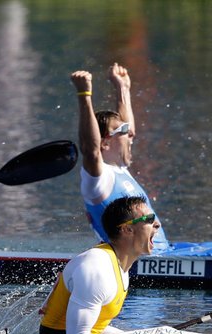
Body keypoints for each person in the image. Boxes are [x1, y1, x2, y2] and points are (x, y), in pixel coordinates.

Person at [37, 196, 165, 334]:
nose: (157, 224)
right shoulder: (97, 266)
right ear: (127, 229)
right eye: (149, 220)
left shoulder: (119, 265)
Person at [71, 65, 170, 252]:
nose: (131, 132)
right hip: (137, 261)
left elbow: (128, 127)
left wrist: (122, 88)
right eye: (123, 131)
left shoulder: (120, 169)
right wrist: (84, 94)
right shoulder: (98, 180)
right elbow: (90, 150)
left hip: (166, 254)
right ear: (105, 144)